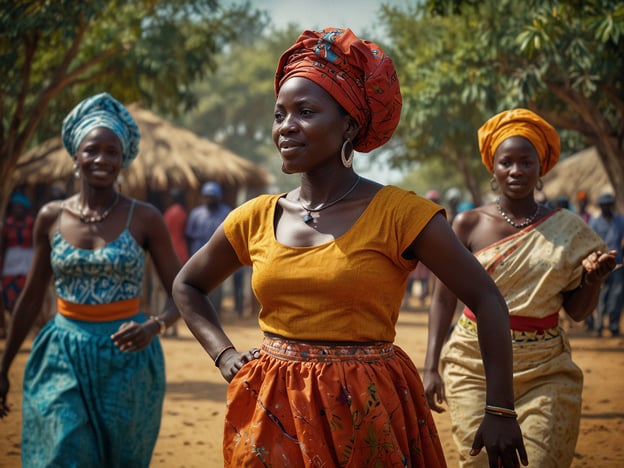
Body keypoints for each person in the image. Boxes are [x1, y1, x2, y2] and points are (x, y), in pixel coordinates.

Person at [173, 27, 526, 467]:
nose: (286, 127)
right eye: (279, 114)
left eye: (305, 111)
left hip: (368, 411)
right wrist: (224, 355)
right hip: (273, 412)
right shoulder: (256, 216)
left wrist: (500, 410)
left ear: (349, 125)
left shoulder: (400, 213)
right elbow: (188, 285)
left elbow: (487, 298)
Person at [424, 108, 616, 468]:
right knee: (482, 462)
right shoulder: (468, 224)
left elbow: (576, 312)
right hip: (472, 362)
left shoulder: (570, 230)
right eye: (506, 162)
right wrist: (430, 366)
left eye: (526, 162)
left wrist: (592, 280)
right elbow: (443, 297)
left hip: (546, 369)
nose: (516, 171)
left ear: (540, 166)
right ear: (492, 168)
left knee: (540, 461)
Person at [0, 93, 181, 467]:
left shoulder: (145, 218)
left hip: (128, 359)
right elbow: (31, 298)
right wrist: (2, 368)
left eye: (112, 151)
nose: (102, 159)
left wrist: (154, 325)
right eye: (92, 150)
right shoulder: (50, 217)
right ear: (75, 157)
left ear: (124, 159)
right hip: (62, 351)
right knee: (64, 452)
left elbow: (184, 293)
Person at [185, 181, 231, 315]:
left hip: (218, 258)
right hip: (197, 256)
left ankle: (214, 314)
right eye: (207, 196)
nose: (210, 199)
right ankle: (199, 314)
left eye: (213, 196)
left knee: (216, 287)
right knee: (198, 286)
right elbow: (189, 236)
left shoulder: (226, 213)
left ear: (219, 197)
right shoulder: (196, 214)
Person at [586, 193, 624, 337]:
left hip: (618, 264)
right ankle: (599, 324)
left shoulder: (620, 221)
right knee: (601, 295)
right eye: (604, 205)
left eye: (609, 205)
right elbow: (589, 243)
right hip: (600, 266)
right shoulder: (594, 223)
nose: (607, 208)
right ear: (601, 207)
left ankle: (614, 325)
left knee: (617, 295)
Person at [0, 193, 35, 338]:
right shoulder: (6, 225)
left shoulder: (32, 223)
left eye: (21, 207)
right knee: (9, 297)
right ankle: (13, 326)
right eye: (16, 207)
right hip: (10, 264)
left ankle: (23, 328)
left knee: (24, 295)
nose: (18, 210)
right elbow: (2, 246)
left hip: (27, 262)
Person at [164, 187, 190, 265]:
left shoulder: (168, 212)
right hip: (181, 249)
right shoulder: (181, 212)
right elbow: (186, 231)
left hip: (169, 249)